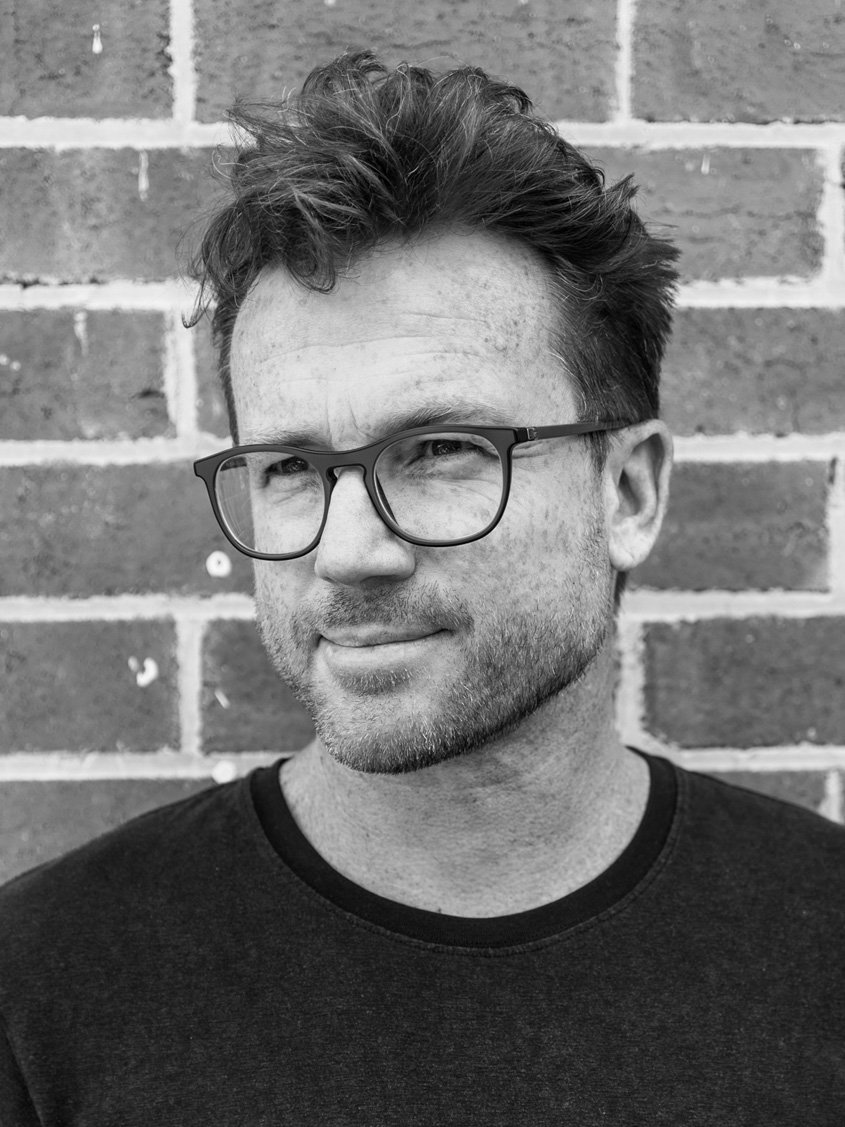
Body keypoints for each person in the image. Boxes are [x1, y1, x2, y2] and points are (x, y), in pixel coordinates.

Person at [1, 50, 843, 1125]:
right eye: (292, 468)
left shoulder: (817, 945)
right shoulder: (43, 992)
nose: (349, 550)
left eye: (440, 448)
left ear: (625, 491)